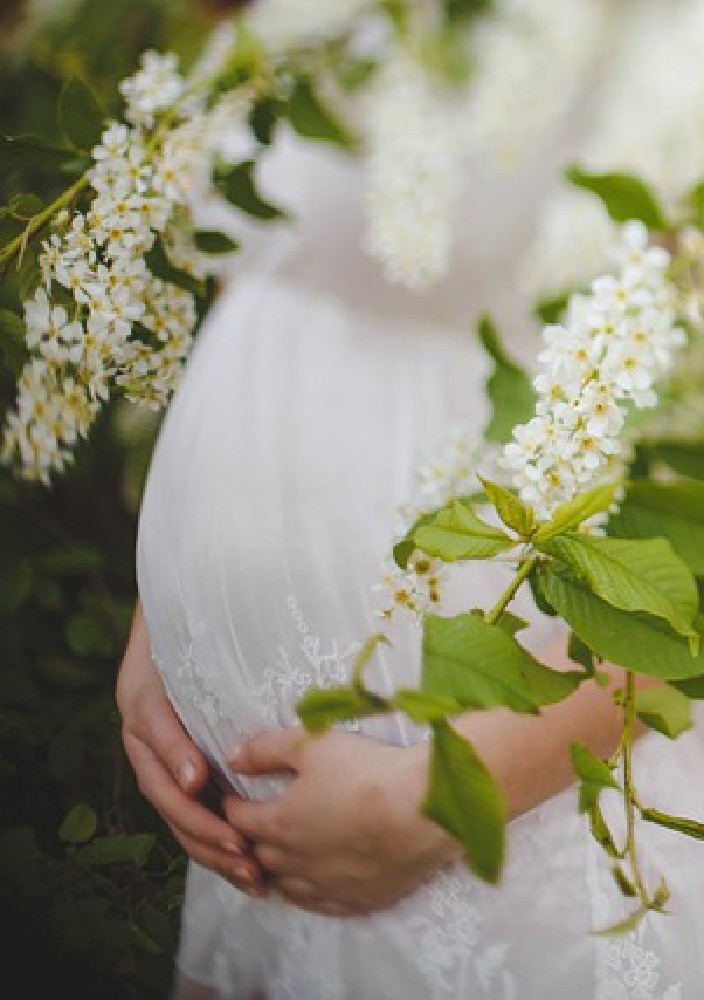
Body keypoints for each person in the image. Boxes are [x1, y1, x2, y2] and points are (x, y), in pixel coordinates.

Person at [117, 73, 704, 1000]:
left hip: (506, 813)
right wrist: (164, 631)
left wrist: (443, 798)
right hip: (257, 823)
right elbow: (264, 271)